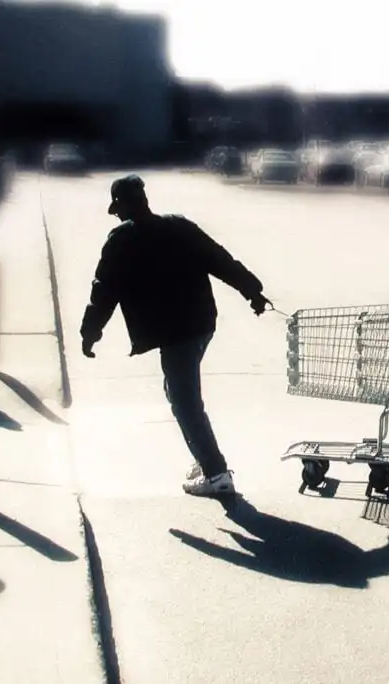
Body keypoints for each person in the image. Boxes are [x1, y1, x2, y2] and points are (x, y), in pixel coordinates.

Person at [80, 175, 271, 497]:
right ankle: (205, 457)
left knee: (185, 402)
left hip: (173, 333)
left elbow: (103, 292)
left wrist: (90, 332)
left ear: (122, 206)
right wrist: (252, 291)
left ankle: (216, 473)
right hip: (200, 326)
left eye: (117, 208)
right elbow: (220, 260)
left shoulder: (120, 240)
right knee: (178, 392)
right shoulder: (180, 227)